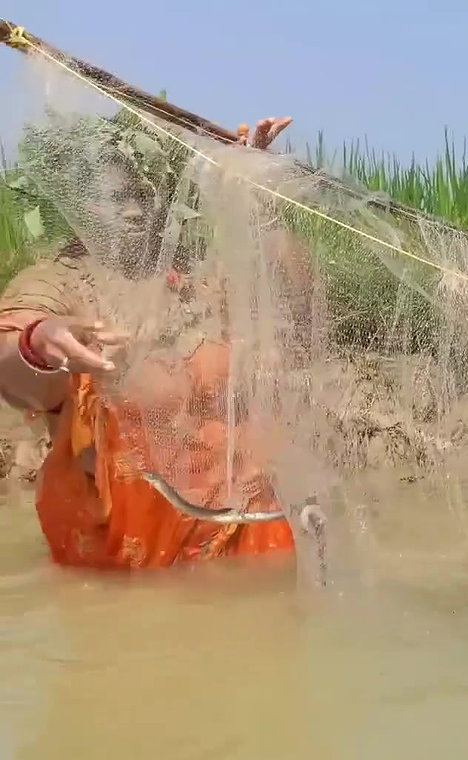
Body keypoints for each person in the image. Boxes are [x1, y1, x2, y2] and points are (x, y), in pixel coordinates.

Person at [0, 115, 307, 570]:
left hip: (249, 534)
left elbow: (293, 298)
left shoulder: (201, 276)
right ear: (77, 206)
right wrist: (39, 340)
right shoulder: (60, 282)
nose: (134, 211)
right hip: (127, 556)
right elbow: (11, 359)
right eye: (115, 198)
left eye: (143, 196)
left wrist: (259, 195)